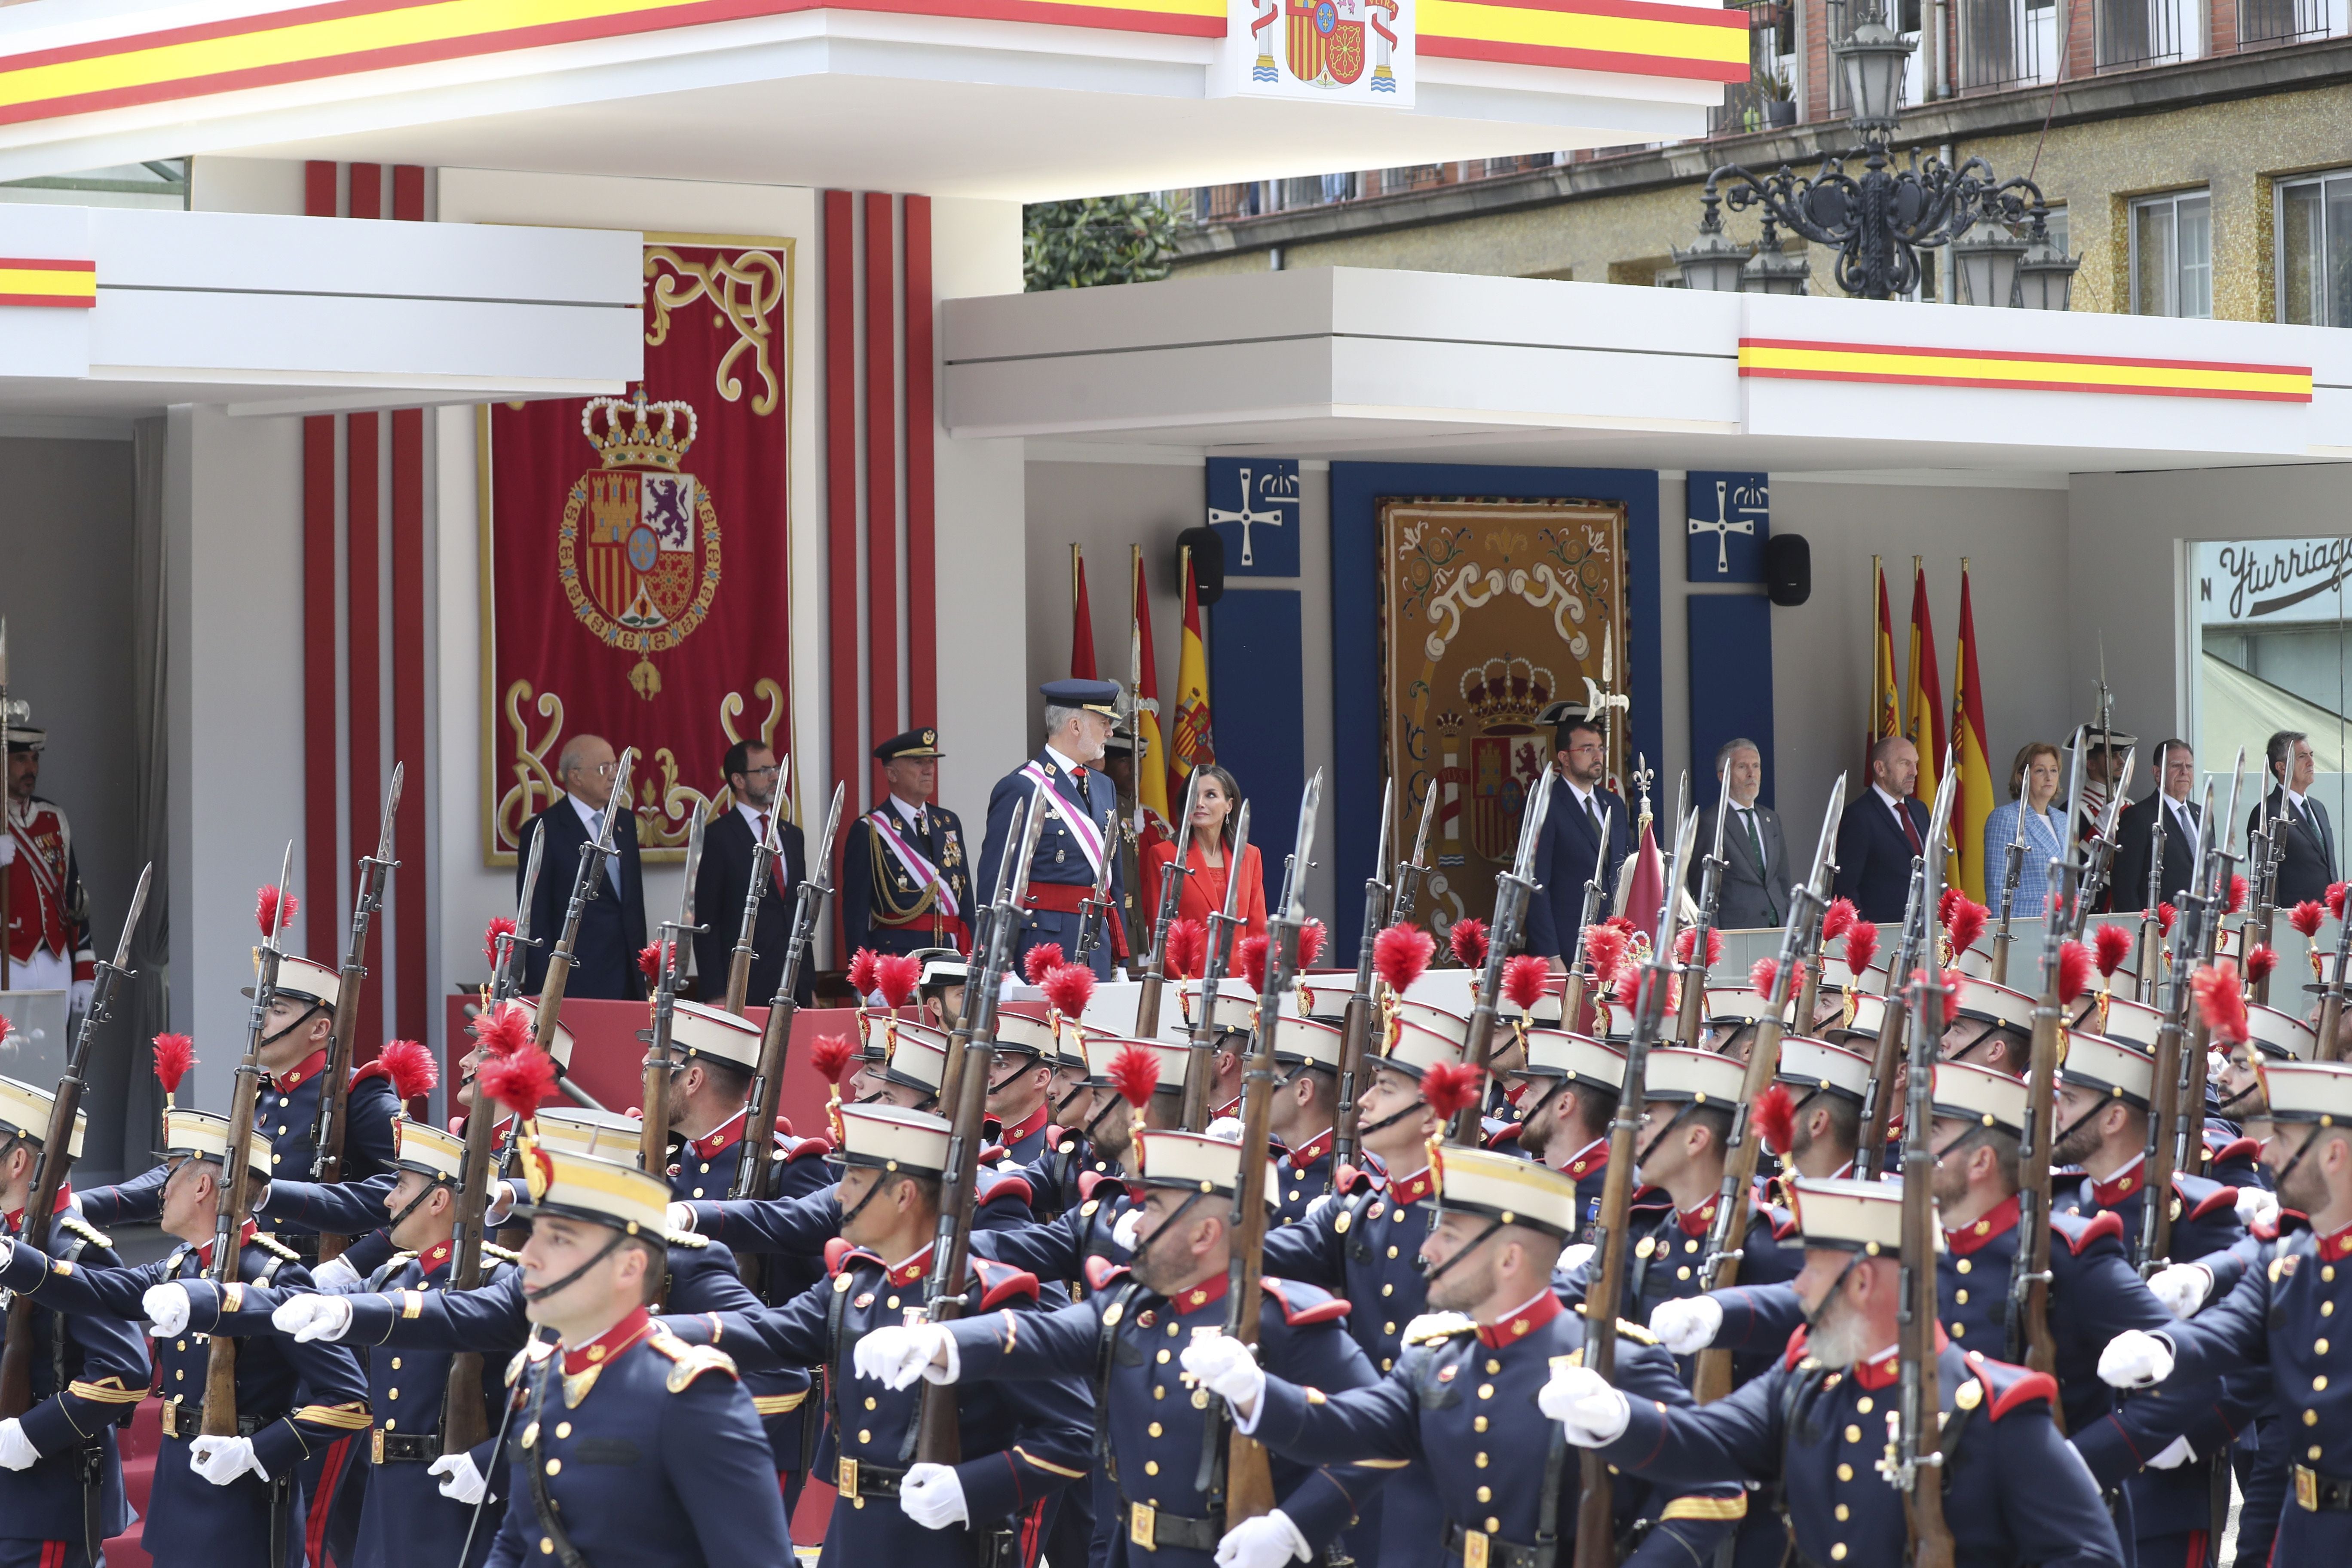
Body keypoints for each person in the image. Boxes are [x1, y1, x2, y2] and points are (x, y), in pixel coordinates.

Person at [851, 1126, 1387, 1568]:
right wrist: (940, 1339)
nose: (1134, 1226)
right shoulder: (1131, 1307)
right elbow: (1044, 1336)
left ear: (1204, 1235)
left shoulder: (1288, 1322)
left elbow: (1380, 1432)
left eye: (1153, 1208)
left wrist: (1295, 1527)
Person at [1184, 1148, 1746, 1568]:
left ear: (1509, 1258)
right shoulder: (1435, 1360)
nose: (1426, 1251)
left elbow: (1712, 1485)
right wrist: (1253, 1388)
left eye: (1449, 1235)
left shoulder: (1614, 1360)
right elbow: (1348, 1428)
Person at [1547, 1176, 2127, 1568]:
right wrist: (1618, 1417)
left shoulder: (1997, 1411)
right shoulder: (1807, 1380)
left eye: (1812, 1271)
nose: (1797, 1288)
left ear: (1864, 1281)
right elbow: (1709, 1442)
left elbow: (2088, 1556)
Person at [0, 1110, 370, 1568]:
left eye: (171, 1174)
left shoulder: (274, 1277)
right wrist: (15, 1258)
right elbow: (102, 1290)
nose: (161, 1189)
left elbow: (349, 1401)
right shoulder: (180, 1267)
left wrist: (257, 1453)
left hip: (245, 1502)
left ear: (202, 1188)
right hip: (179, 1493)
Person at [147, 1116, 515, 1568]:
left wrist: (490, 1464)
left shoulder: (502, 1282)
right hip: (390, 1511)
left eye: (400, 1186)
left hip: (465, 1505)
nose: (388, 1199)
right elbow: (302, 1307)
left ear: (438, 1199)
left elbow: (537, 1407)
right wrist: (208, 1301)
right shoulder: (392, 1276)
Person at [472, 1144, 788, 1567]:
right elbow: (517, 1542)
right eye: (535, 1237)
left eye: (559, 1240)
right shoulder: (537, 1377)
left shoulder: (691, 1393)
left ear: (628, 1267)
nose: (528, 1256)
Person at [2097, 1059, 2352, 1564]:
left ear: (2335, 1155)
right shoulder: (2292, 1258)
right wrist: (2165, 1348)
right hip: (2305, 1528)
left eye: (2282, 1137)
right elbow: (2232, 1328)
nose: (2268, 1152)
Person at [0, 1075, 148, 1568]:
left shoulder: (77, 1251)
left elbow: (124, 1372)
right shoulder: (6, 1239)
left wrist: (31, 1435)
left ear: (18, 1160)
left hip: (47, 1494)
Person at [978, 680, 1128, 982]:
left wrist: (1119, 961)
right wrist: (1000, 969)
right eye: (1103, 723)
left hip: (1098, 946)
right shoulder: (1022, 786)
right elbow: (997, 885)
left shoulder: (1103, 786)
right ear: (1075, 726)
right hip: (1045, 949)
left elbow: (1114, 882)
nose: (1110, 733)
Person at [515, 733, 648, 1001]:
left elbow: (632, 905)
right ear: (575, 777)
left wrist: (645, 972)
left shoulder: (625, 822)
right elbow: (534, 916)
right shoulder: (545, 830)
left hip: (628, 979)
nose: (615, 776)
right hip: (573, 981)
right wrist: (543, 989)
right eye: (604, 768)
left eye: (617, 766)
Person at [691, 739, 812, 1008]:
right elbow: (707, 921)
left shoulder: (792, 836)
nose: (775, 776)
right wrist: (715, 992)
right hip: (743, 985)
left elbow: (799, 914)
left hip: (793, 984)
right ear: (739, 780)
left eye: (776, 768)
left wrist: (808, 984)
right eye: (763, 771)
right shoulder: (717, 837)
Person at [840, 727, 974, 960]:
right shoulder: (870, 829)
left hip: (951, 956)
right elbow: (856, 915)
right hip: (899, 961)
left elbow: (966, 903)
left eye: (931, 762)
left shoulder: (948, 822)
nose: (928, 770)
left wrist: (973, 958)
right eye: (917, 763)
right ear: (892, 774)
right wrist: (867, 981)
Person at [1, 708, 93, 1010]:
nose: (31, 768)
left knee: (56, 1056)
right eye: (21, 759)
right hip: (8, 961)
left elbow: (75, 901)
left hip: (56, 959)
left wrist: (83, 972)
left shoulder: (54, 818)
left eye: (35, 759)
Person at [1526, 715, 1632, 965]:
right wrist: (1550, 955)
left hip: (1616, 945)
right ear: (1564, 757)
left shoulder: (1614, 804)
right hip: (1569, 947)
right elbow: (1535, 885)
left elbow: (1627, 872)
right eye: (1587, 749)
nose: (1598, 756)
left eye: (1600, 748)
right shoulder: (1545, 805)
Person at [1139, 763, 1267, 941]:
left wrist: (1253, 969)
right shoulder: (1164, 855)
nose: (1200, 803)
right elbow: (1162, 933)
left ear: (1229, 806)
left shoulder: (1249, 855)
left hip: (1239, 969)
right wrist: (1181, 971)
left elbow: (1258, 931)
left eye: (1211, 795)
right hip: (1188, 969)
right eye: (1194, 796)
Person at [1690, 738, 1789, 930]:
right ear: (1723, 777)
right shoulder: (1710, 823)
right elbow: (1702, 890)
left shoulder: (1771, 819)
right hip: (1735, 933)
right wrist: (1714, 940)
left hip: (1778, 929)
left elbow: (1783, 880)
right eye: (1743, 767)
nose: (1752, 774)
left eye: (1756, 766)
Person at [1832, 735, 1929, 924]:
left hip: (1924, 932)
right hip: (1883, 936)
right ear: (1880, 768)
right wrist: (1865, 937)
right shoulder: (1858, 816)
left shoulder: (1920, 810)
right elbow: (1846, 889)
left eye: (1916, 764)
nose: (1914, 772)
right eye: (1905, 763)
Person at [1983, 741, 2069, 925]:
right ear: (2022, 777)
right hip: (2025, 924)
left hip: (2063, 925)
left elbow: (2071, 880)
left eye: (2054, 770)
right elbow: (1997, 885)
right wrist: (2000, 934)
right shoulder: (2006, 817)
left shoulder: (2063, 819)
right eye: (2040, 770)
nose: (2049, 777)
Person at [2112, 738, 2201, 912]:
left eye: (2189, 767)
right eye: (2176, 766)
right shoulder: (2139, 816)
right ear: (2158, 773)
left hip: (2202, 924)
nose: (2185, 772)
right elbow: (2125, 885)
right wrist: (2138, 929)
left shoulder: (2203, 814)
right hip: (2161, 927)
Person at [2256, 727, 2339, 906]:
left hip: (2328, 915)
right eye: (2302, 757)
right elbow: (2264, 873)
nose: (2311, 762)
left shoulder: (2318, 808)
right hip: (2292, 918)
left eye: (2311, 755)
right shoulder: (2268, 811)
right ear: (2282, 767)